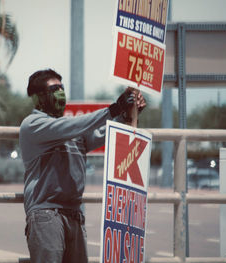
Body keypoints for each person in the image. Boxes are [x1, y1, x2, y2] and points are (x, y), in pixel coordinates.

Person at [19, 68, 146, 263]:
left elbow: (102, 135)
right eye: (54, 89)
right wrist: (113, 109)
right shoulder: (33, 124)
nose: (61, 93)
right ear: (38, 97)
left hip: (74, 214)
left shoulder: (71, 127)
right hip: (46, 214)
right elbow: (75, 127)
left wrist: (127, 115)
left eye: (61, 87)